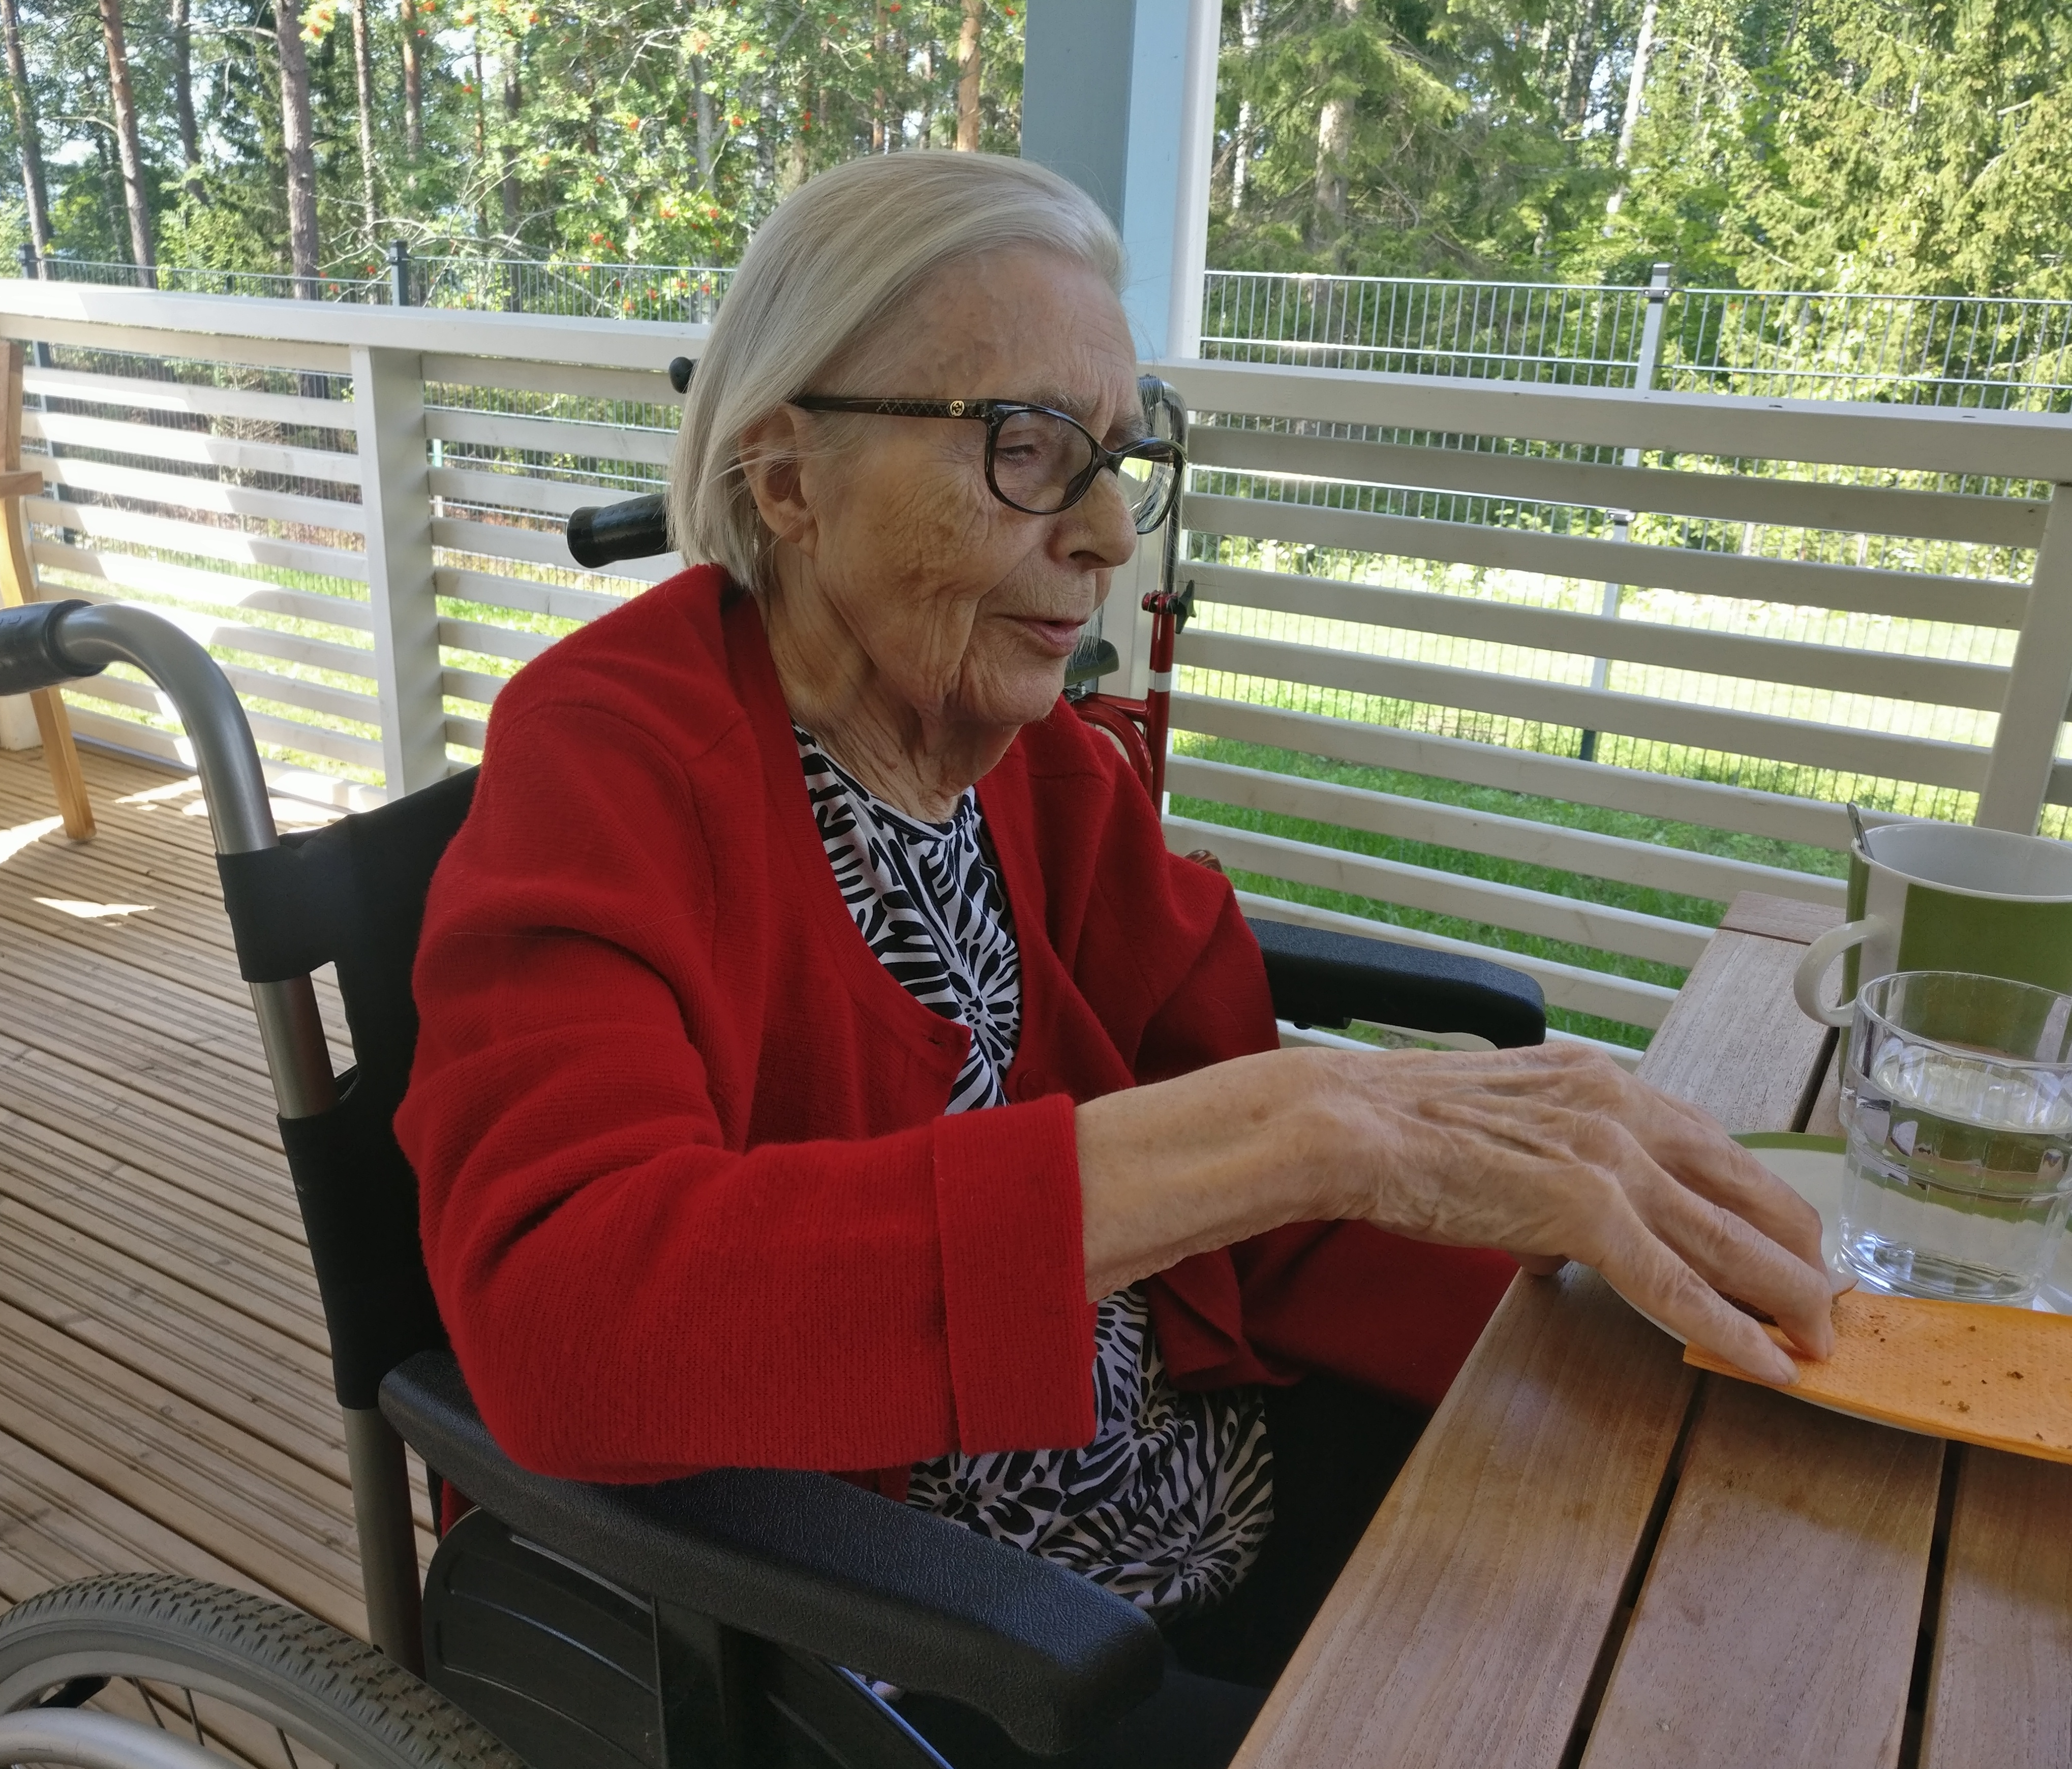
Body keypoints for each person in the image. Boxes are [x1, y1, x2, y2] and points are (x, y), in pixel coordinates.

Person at [394, 151, 1833, 1769]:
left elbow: (1244, 1135)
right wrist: (1295, 1127)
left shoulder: (1036, 766)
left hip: (1198, 1478)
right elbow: (568, 1316)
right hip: (917, 1637)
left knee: (1699, 1587)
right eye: (1024, 449)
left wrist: (1609, 1265)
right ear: (789, 477)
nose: (1102, 535)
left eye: (1117, 458)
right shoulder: (610, 762)